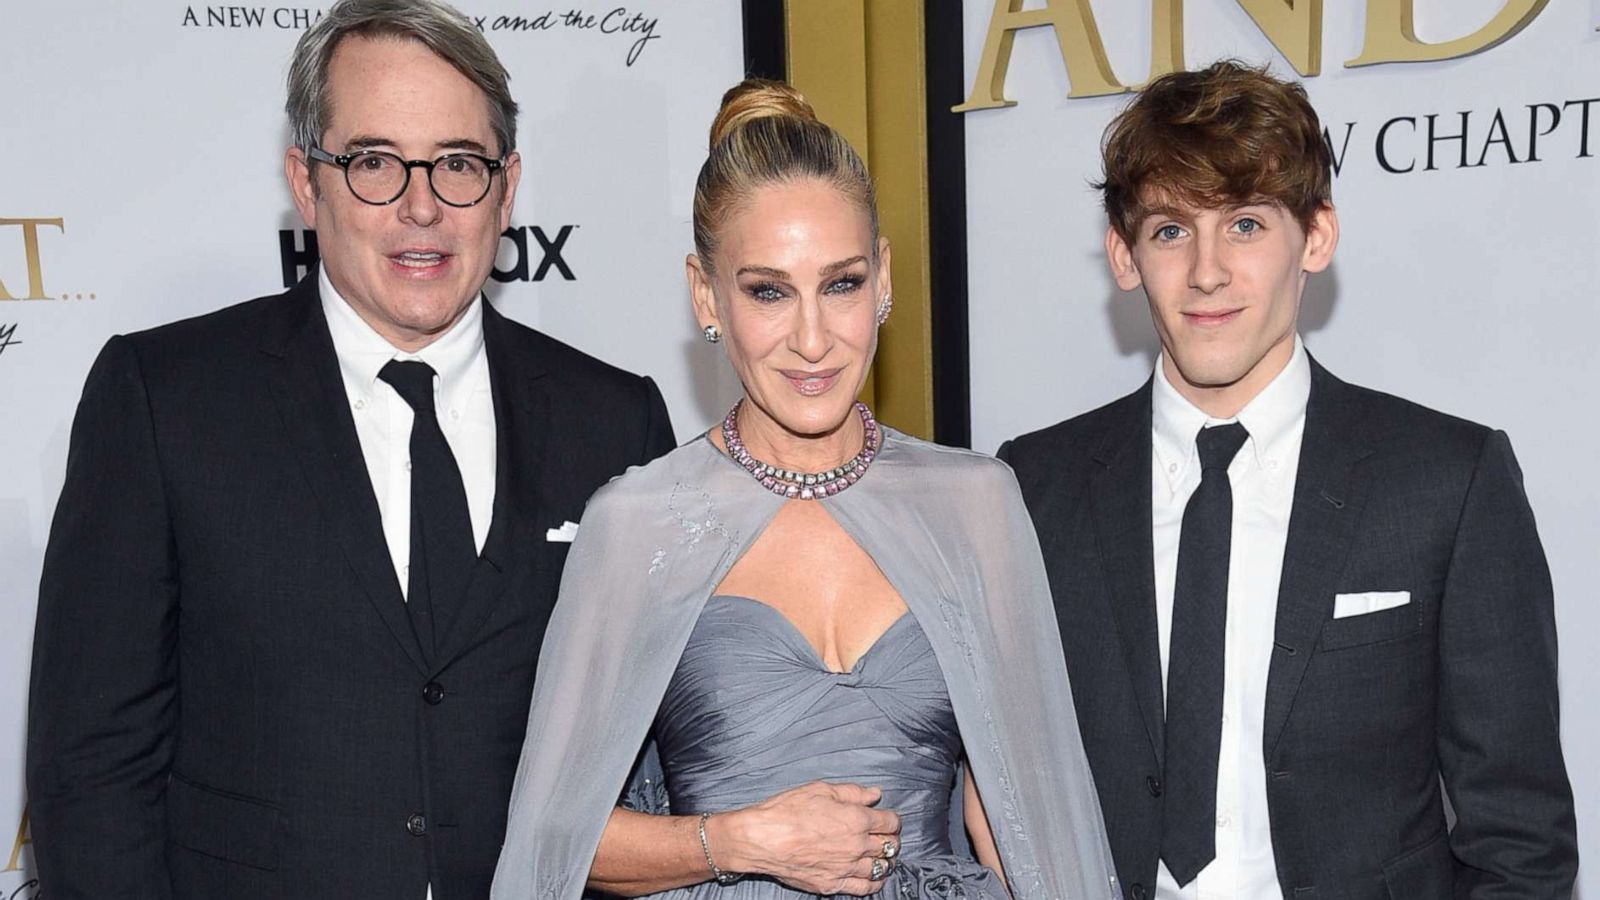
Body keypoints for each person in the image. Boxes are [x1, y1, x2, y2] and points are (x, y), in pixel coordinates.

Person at [25, 1, 675, 897]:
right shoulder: (164, 401)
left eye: (458, 165)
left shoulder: (617, 423)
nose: (421, 205)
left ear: (507, 186)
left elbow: (653, 761)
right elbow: (91, 771)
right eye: (373, 162)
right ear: (307, 180)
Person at [488, 79, 1119, 900]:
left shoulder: (978, 504)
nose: (813, 339)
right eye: (769, 291)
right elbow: (555, 842)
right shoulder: (636, 523)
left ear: (884, 278)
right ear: (706, 294)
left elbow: (1028, 830)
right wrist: (742, 841)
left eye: (842, 283)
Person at [999, 61, 1577, 900]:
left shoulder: (1448, 480)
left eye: (1244, 225)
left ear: (1317, 237)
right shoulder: (1034, 486)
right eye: (1169, 231)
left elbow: (1520, 840)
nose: (1206, 272)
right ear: (1123, 256)